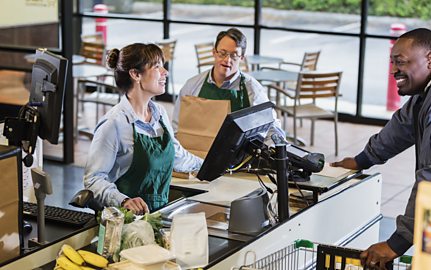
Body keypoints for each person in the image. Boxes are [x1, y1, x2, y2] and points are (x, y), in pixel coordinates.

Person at [331, 28, 431, 269]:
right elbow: (402, 127)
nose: (393, 71)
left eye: (400, 62)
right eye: (392, 62)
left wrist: (396, 244)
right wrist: (361, 160)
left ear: (430, 59)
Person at [83, 43, 203, 215]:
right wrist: (123, 200)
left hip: (159, 215)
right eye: (157, 67)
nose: (165, 72)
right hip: (125, 222)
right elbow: (93, 179)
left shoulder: (159, 114)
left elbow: (177, 155)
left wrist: (208, 166)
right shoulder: (114, 124)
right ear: (135, 74)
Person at [172, 27, 283, 136]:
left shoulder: (253, 89)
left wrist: (277, 146)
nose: (227, 60)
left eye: (234, 55)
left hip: (239, 154)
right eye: (222, 53)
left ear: (242, 58)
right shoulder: (191, 86)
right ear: (214, 52)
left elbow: (272, 125)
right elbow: (177, 128)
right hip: (196, 153)